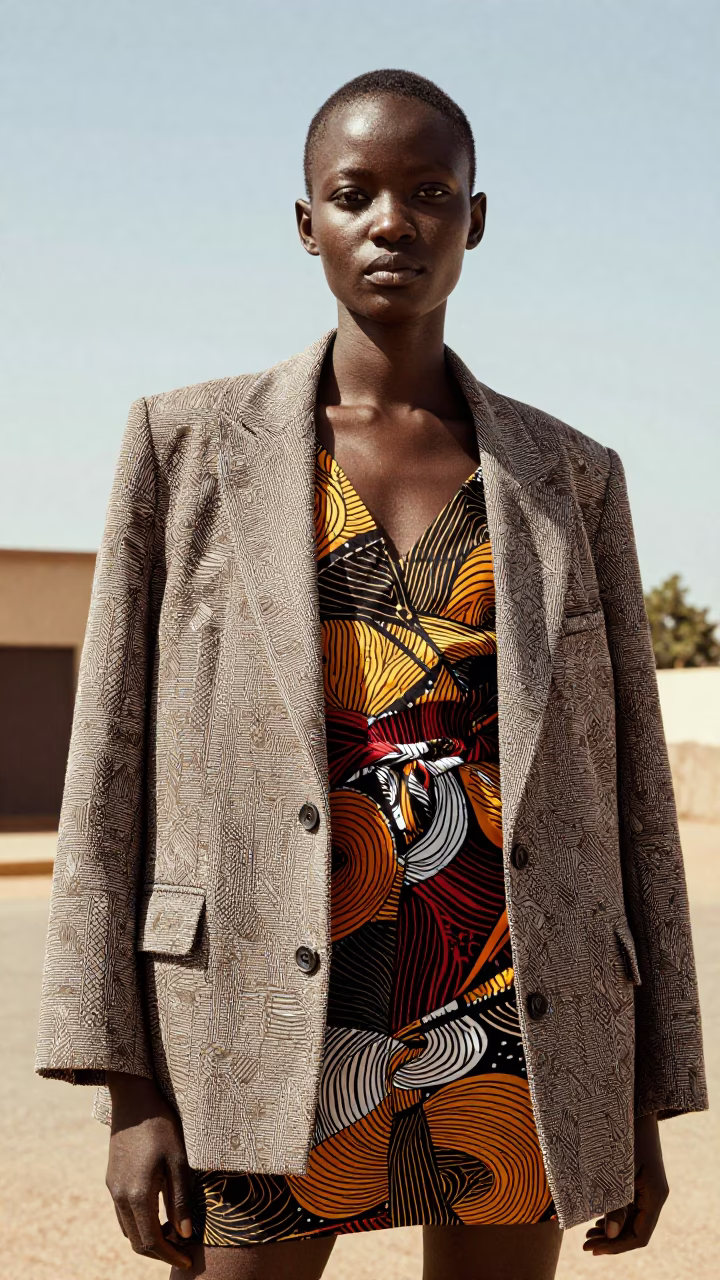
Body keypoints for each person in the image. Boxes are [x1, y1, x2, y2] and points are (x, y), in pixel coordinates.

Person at [36, 69, 707, 1280]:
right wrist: (128, 1087)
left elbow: (635, 802)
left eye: (428, 191)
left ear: (474, 218)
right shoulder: (185, 451)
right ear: (308, 223)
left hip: (514, 1011)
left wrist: (643, 1093)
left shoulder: (571, 475)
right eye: (356, 194)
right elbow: (108, 777)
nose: (393, 220)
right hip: (262, 1013)